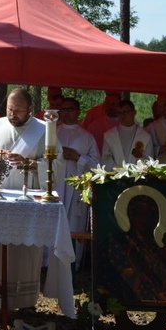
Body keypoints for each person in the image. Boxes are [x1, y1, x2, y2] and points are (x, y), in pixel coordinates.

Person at [0, 88, 65, 309]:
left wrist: (30, 164)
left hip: (27, 201)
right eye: (10, 109)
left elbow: (58, 164)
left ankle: (22, 303)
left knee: (24, 250)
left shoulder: (43, 130)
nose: (12, 114)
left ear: (30, 110)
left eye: (18, 110)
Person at [56, 97, 100, 269]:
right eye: (64, 109)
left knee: (74, 222)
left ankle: (73, 263)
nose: (67, 113)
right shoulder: (52, 133)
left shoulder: (87, 137)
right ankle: (49, 263)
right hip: (57, 184)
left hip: (76, 186)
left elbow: (97, 163)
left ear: (78, 112)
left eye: (70, 109)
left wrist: (77, 157)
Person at [101, 99, 154, 170]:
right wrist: (119, 170)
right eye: (119, 113)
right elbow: (105, 158)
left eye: (125, 112)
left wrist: (133, 170)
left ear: (134, 112)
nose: (122, 116)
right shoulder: (109, 136)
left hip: (137, 177)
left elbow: (149, 160)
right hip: (115, 176)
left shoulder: (145, 136)